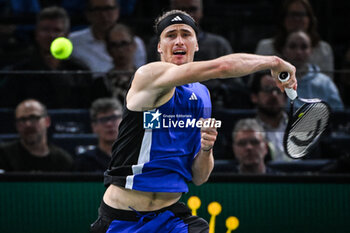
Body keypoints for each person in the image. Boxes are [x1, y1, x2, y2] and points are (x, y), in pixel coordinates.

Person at [90, 10, 296, 233]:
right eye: (170, 35)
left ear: (196, 44)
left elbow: (199, 177)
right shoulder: (148, 76)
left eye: (186, 34)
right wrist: (273, 61)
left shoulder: (201, 95)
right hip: (123, 220)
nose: (179, 40)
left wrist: (206, 149)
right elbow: (221, 68)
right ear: (159, 47)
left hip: (170, 219)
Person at [0, 6, 91, 108]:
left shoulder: (79, 70)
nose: (51, 35)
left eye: (57, 30)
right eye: (45, 30)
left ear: (66, 35)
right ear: (36, 34)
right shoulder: (20, 72)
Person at [255, 0, 334, 77]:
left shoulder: (324, 49)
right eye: (292, 14)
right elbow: (255, 83)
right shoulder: (265, 47)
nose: (296, 19)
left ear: (310, 19)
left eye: (301, 14)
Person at [69, 0, 146, 75]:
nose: (103, 15)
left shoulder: (135, 42)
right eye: (97, 9)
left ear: (118, 10)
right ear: (88, 14)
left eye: (108, 8)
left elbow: (141, 75)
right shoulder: (73, 42)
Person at [0, 99, 73, 172]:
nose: (28, 124)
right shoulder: (3, 155)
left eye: (33, 118)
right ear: (16, 125)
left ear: (47, 121)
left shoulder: (62, 161)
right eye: (22, 120)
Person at [281, 30, 343, 110]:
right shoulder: (274, 80)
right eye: (292, 46)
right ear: (284, 50)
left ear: (311, 51)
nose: (298, 52)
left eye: (304, 47)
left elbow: (338, 115)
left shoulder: (325, 83)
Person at [90, 23, 137, 103]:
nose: (120, 49)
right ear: (108, 49)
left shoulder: (147, 80)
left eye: (124, 43)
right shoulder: (100, 83)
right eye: (114, 45)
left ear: (134, 46)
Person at [250, 71, 291, 162]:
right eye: (267, 90)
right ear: (254, 97)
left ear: (285, 97)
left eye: (279, 90)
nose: (274, 95)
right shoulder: (247, 131)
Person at [74, 98, 122, 172]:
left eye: (114, 118)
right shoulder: (84, 161)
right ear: (94, 127)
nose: (109, 124)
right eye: (103, 120)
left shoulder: (135, 157)